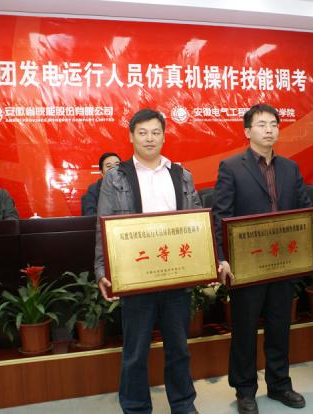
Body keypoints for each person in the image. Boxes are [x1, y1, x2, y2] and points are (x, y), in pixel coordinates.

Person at [213, 104, 313, 414]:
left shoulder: (290, 167)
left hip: (283, 261)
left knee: (279, 325)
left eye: (274, 124)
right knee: (245, 329)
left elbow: (305, 212)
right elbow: (220, 215)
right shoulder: (231, 167)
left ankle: (279, 384)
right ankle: (245, 389)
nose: (269, 129)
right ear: (248, 131)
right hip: (246, 264)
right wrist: (221, 258)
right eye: (262, 124)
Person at [94, 108, 200, 414]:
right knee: (135, 352)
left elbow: (196, 221)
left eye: (155, 132)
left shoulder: (181, 174)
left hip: (176, 274)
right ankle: (136, 408)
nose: (149, 138)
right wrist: (102, 270)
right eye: (142, 133)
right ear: (131, 137)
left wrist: (206, 262)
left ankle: (183, 404)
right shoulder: (116, 177)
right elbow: (103, 225)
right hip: (136, 276)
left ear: (164, 136)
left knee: (179, 348)